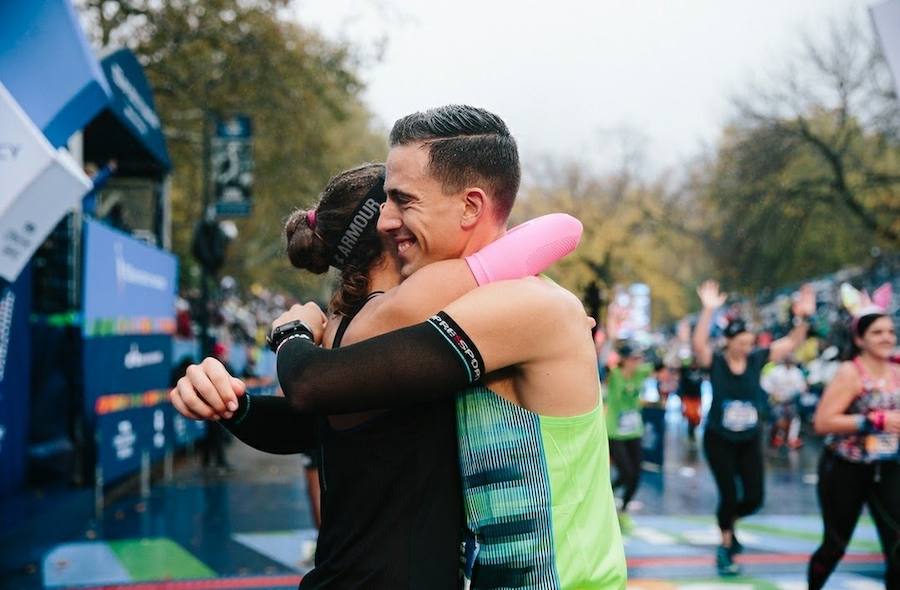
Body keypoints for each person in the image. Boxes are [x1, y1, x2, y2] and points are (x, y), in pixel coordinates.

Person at [175, 105, 627, 589]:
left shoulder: (521, 305)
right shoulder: (481, 306)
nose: (386, 221)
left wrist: (291, 334)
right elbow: (334, 422)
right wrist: (235, 406)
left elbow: (317, 389)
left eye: (403, 200)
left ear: (471, 206)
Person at [692, 279, 814, 577]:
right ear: (729, 341)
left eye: (750, 342)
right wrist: (708, 311)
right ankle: (725, 546)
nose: (747, 347)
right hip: (718, 439)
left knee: (755, 498)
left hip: (748, 439)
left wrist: (804, 318)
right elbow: (698, 346)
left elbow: (793, 342)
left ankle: (728, 523)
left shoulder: (757, 359)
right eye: (742, 342)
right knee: (728, 494)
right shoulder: (717, 362)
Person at [808, 284, 899, 590]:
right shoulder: (850, 372)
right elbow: (822, 422)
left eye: (890, 331)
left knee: (898, 543)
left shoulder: (898, 369)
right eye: (877, 333)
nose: (887, 338)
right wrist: (874, 420)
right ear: (859, 339)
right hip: (845, 467)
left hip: (888, 466)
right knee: (835, 545)